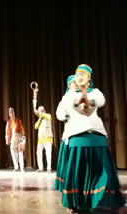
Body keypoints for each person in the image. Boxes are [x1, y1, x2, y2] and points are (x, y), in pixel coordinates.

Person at [57, 64, 125, 212]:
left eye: (83, 75)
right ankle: (76, 203)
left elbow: (100, 101)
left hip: (96, 135)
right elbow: (62, 112)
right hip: (76, 136)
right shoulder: (69, 95)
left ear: (89, 79)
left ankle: (106, 201)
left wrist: (89, 101)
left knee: (102, 172)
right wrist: (79, 102)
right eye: (77, 74)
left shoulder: (96, 92)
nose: (79, 77)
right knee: (78, 173)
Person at [54, 75, 76, 192]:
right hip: (70, 133)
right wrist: (66, 115)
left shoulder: (82, 95)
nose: (76, 85)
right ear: (69, 85)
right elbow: (59, 113)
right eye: (74, 83)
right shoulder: (66, 97)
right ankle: (69, 186)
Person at [5, 107, 26, 172]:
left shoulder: (18, 120)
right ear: (9, 114)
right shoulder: (8, 122)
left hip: (18, 136)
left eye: (12, 112)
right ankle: (16, 166)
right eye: (10, 112)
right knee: (13, 152)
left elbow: (22, 129)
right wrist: (7, 139)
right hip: (12, 138)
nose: (11, 113)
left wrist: (23, 138)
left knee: (20, 151)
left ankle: (22, 168)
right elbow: (6, 132)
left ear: (14, 113)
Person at [34, 106, 53, 172]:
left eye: (41, 110)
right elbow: (36, 126)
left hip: (47, 138)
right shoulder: (40, 119)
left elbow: (47, 117)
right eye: (39, 111)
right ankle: (41, 168)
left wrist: (39, 113)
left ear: (44, 110)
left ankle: (49, 168)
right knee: (39, 153)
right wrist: (39, 118)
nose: (40, 112)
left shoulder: (48, 116)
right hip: (40, 139)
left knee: (48, 154)